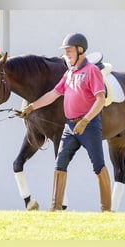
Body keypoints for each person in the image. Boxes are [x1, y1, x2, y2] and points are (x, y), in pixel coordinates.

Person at [20, 33, 111, 212]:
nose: (66, 54)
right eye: (66, 51)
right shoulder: (69, 73)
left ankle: (106, 209)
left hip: (89, 126)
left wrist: (85, 121)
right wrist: (32, 107)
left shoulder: (91, 71)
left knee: (98, 164)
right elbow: (53, 94)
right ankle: (55, 208)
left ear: (80, 50)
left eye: (69, 50)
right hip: (70, 127)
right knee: (60, 163)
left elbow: (100, 100)